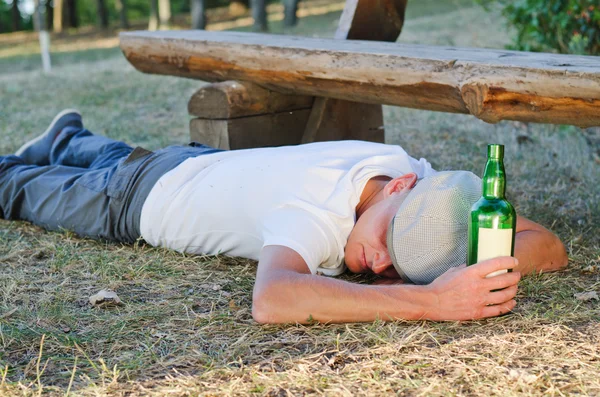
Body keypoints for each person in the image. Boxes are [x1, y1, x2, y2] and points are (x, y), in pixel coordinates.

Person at [0, 110, 568, 324]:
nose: (381, 263)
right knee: (18, 189)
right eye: (390, 237)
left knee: (114, 157)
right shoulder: (317, 216)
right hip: (131, 202)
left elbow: (550, 247)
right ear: (400, 189)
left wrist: (457, 253)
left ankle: (69, 137)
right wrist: (432, 300)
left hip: (197, 163)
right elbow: (273, 300)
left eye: (404, 263)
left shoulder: (414, 175)